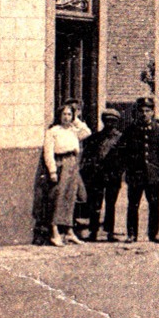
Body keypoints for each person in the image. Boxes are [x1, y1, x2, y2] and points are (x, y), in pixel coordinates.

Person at [123, 97, 159, 243]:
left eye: (147, 111)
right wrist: (130, 163)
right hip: (135, 173)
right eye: (142, 111)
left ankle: (154, 234)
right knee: (133, 204)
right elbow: (122, 148)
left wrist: (156, 162)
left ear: (152, 112)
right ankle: (132, 234)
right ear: (137, 113)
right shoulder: (131, 129)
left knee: (154, 203)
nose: (144, 114)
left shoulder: (158, 129)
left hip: (152, 174)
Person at [41, 103, 90, 246]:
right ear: (59, 116)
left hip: (73, 164)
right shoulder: (53, 131)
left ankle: (69, 232)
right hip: (60, 163)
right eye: (64, 114)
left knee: (71, 197)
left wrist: (76, 119)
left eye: (69, 114)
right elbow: (48, 152)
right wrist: (52, 171)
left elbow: (87, 131)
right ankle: (55, 233)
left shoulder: (74, 130)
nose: (66, 117)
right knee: (58, 197)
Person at [82, 107, 126, 241]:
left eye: (113, 121)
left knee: (111, 204)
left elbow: (125, 158)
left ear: (117, 123)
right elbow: (87, 156)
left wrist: (119, 171)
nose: (110, 124)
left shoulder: (121, 139)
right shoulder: (94, 138)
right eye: (107, 121)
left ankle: (110, 232)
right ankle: (93, 231)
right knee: (95, 204)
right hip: (97, 176)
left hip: (113, 176)